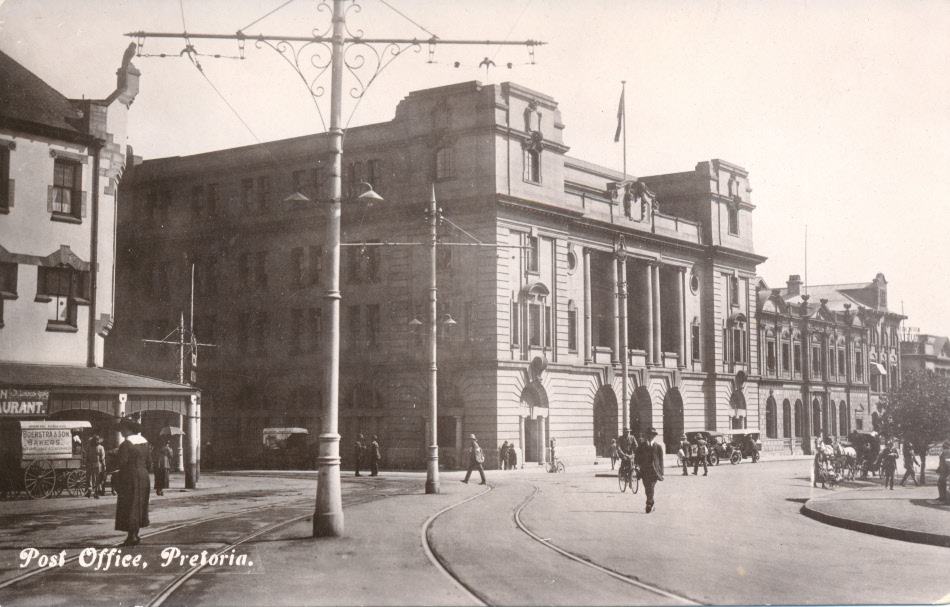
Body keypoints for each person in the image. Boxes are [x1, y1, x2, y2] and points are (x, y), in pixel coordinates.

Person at [114, 418, 150, 546]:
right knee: (140, 504)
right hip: (143, 475)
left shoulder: (126, 444)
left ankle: (131, 537)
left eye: (122, 429)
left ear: (128, 429)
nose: (121, 432)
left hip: (130, 476)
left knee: (129, 504)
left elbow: (122, 462)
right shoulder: (145, 442)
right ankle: (136, 533)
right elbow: (149, 461)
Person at [635, 428, 664, 513]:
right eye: (649, 434)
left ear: (654, 436)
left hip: (654, 471)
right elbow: (637, 457)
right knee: (647, 487)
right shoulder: (641, 446)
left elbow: (661, 460)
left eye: (652, 435)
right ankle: (651, 502)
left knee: (651, 486)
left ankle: (649, 504)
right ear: (646, 435)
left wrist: (661, 471)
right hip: (644, 471)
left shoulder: (658, 447)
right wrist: (637, 466)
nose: (650, 436)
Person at [84, 435, 102, 499]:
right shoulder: (95, 447)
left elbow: (102, 457)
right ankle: (93, 491)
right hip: (94, 464)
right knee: (93, 478)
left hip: (94, 464)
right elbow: (102, 457)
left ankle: (93, 490)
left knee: (94, 478)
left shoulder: (97, 447)